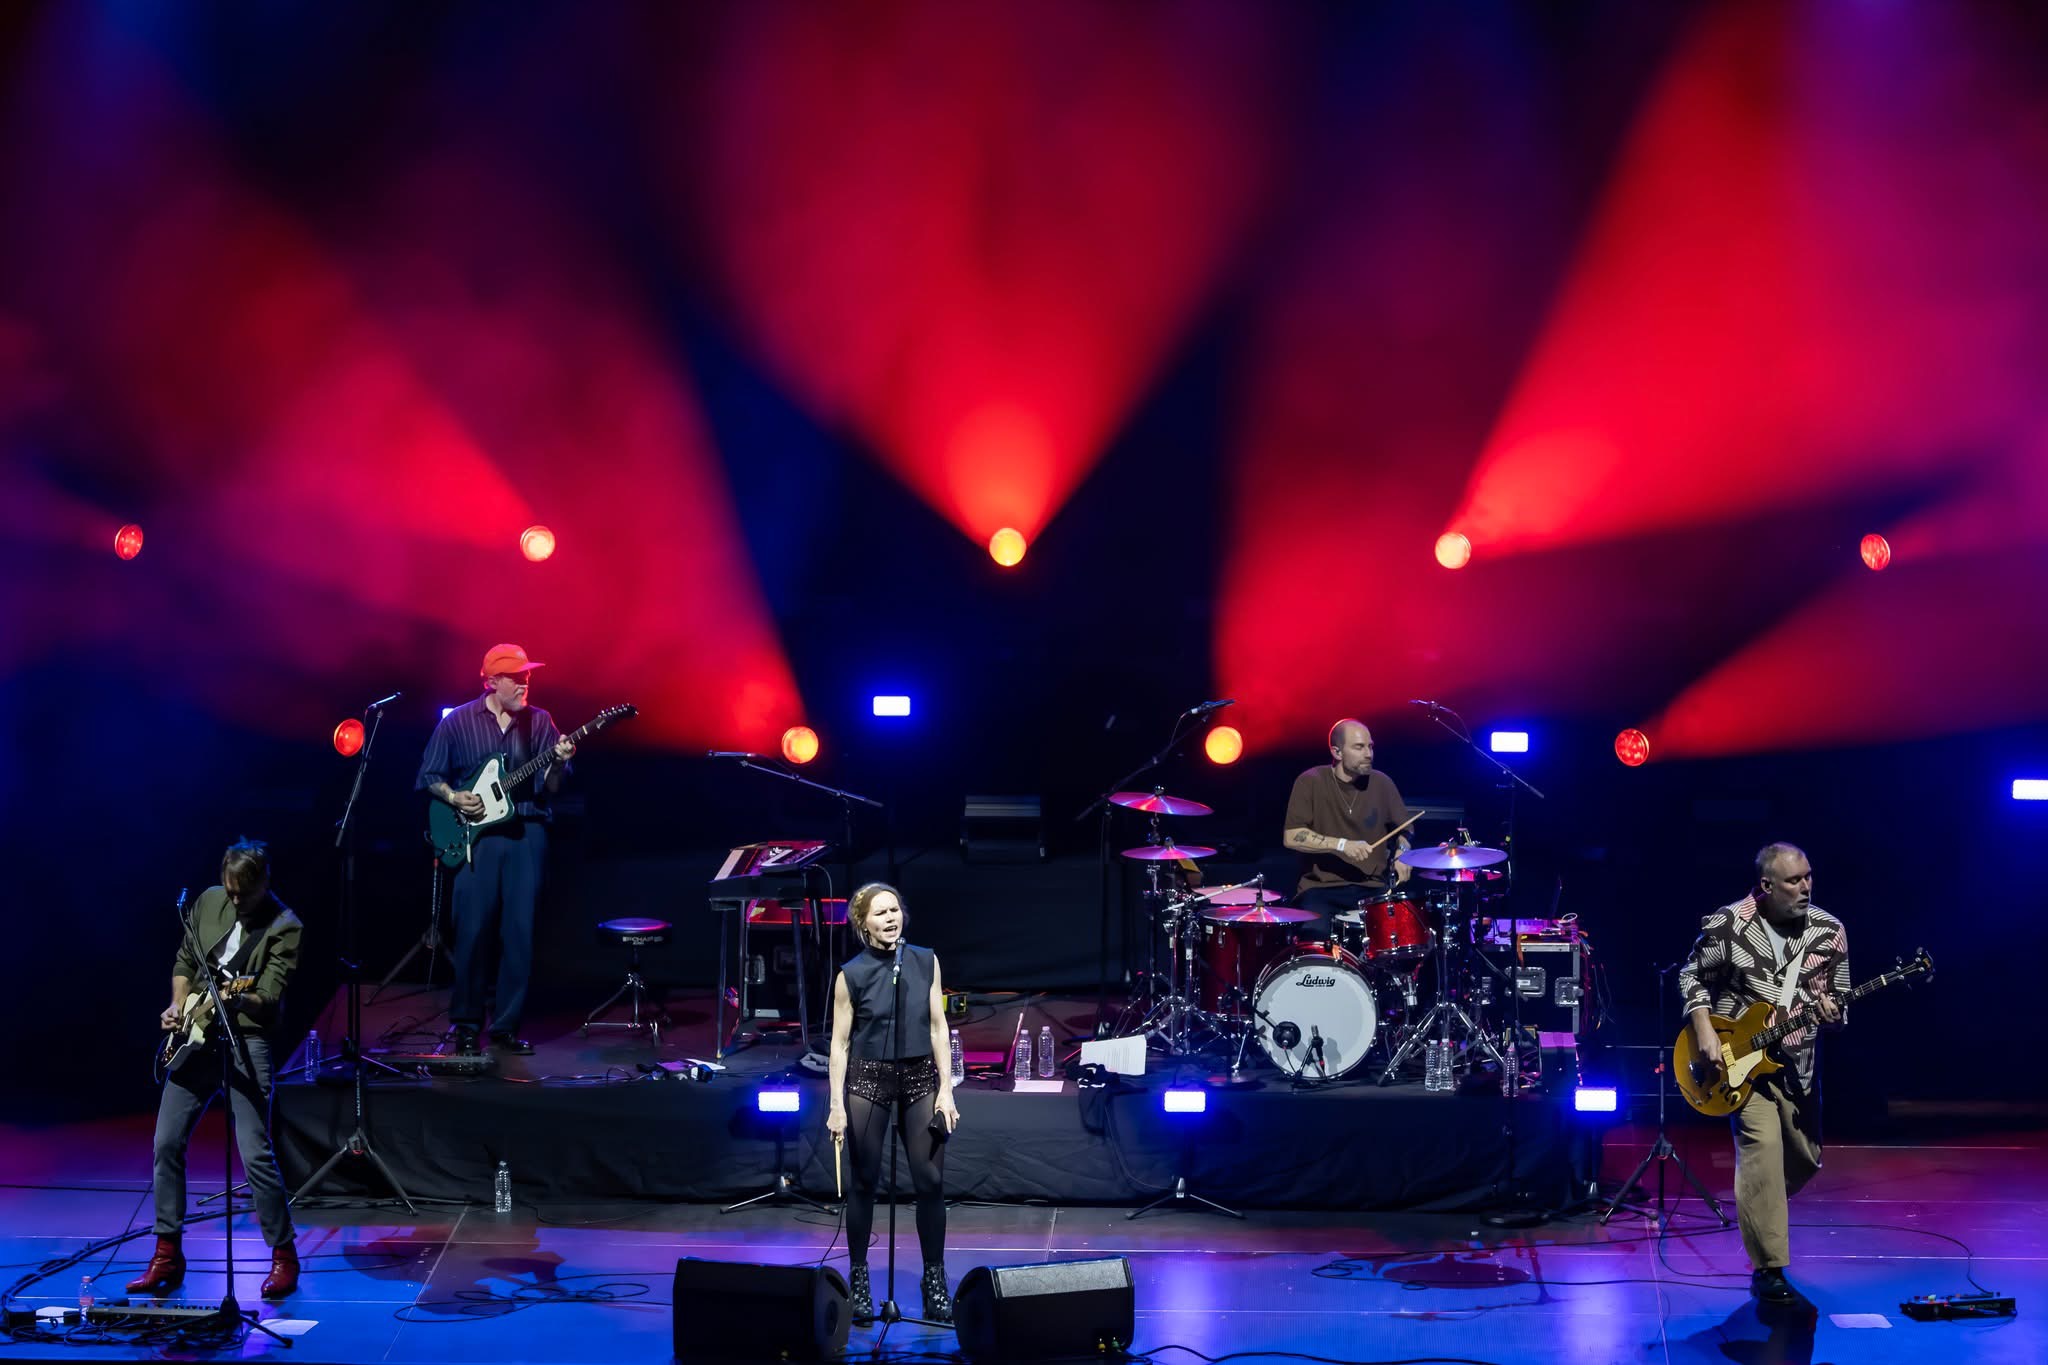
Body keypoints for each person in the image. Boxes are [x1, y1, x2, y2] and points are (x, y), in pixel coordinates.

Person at [129, 840, 303, 1300]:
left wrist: (239, 998)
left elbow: (269, 997)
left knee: (255, 1153)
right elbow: (185, 961)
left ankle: (284, 1255)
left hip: (245, 1041)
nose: (235, 900)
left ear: (264, 883)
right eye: (230, 891)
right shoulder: (207, 901)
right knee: (166, 1143)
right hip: (194, 1040)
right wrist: (177, 1005)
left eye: (243, 893)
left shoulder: (285, 927)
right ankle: (167, 1253)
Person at [1678, 842, 1849, 1306]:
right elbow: (1691, 976)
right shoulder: (1730, 924)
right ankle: (1769, 1269)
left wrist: (1833, 1015)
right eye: (1794, 880)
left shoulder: (1830, 931)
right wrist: (1704, 1027)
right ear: (1766, 885)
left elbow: (1839, 1001)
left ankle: (1759, 1202)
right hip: (1740, 1063)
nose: (1806, 887)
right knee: (1762, 1153)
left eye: (1809, 876)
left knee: (1805, 1158)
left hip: (1798, 1064)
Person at [416, 643, 576, 1055]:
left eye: (527, 676)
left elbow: (553, 788)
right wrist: (455, 797)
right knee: (472, 932)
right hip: (476, 839)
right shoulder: (458, 722)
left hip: (528, 832)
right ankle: (467, 1024)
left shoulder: (540, 722)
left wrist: (558, 762)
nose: (525, 683)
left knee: (520, 934)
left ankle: (505, 1027)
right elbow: (429, 775)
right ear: (491, 681)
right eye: (515, 677)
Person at [826, 883, 961, 1324]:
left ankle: (934, 1279)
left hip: (919, 1076)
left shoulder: (925, 960)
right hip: (869, 1079)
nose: (890, 918)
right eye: (880, 913)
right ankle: (860, 1278)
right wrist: (836, 1104)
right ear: (863, 924)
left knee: (930, 1180)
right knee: (864, 1181)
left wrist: (946, 1088)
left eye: (894, 910)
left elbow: (938, 1027)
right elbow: (840, 1044)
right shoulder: (851, 975)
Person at [1281, 718, 1412, 933]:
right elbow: (1292, 836)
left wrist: (1402, 853)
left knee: (1403, 934)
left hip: (1372, 888)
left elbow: (1405, 829)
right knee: (1314, 936)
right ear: (1337, 752)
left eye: (1370, 746)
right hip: (1321, 890)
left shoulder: (1382, 783)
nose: (1369, 754)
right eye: (1359, 747)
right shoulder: (1310, 781)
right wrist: (1342, 845)